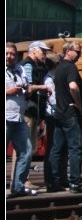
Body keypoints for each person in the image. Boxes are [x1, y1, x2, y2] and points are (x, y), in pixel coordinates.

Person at [49, 41, 82, 193]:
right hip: (70, 113)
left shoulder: (59, 68)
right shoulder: (70, 67)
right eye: (78, 51)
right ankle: (76, 182)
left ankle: (53, 181)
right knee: (75, 148)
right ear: (68, 51)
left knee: (57, 149)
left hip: (59, 113)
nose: (79, 55)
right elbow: (73, 86)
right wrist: (79, 105)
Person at [7, 41, 40, 196]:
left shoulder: (20, 69)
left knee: (26, 152)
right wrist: (9, 91)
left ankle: (18, 187)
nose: (9, 56)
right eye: (7, 53)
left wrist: (27, 90)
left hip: (19, 118)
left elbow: (28, 86)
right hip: (6, 118)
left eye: (12, 54)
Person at [18, 40, 52, 168]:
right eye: (42, 51)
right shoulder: (28, 65)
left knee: (29, 146)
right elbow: (29, 87)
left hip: (32, 109)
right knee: (26, 146)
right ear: (33, 51)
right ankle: (23, 180)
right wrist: (44, 87)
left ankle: (23, 179)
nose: (44, 54)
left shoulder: (35, 65)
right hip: (29, 109)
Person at [42, 50, 68, 192]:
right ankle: (51, 179)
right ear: (56, 64)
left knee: (62, 147)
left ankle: (62, 178)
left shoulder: (56, 77)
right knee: (54, 147)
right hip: (54, 116)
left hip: (59, 114)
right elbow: (53, 99)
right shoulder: (49, 79)